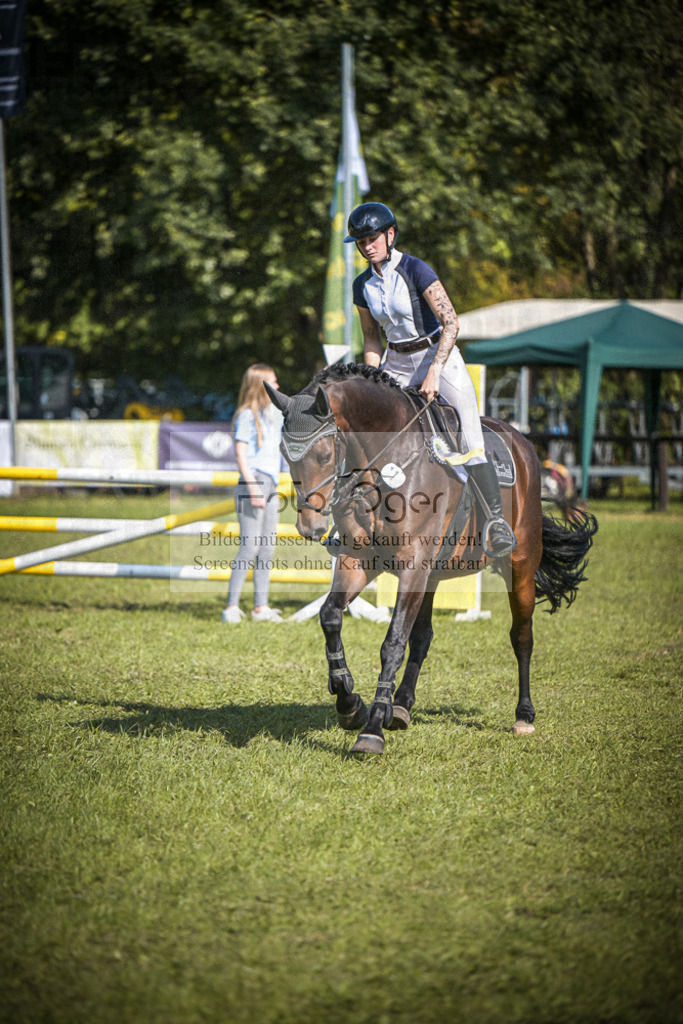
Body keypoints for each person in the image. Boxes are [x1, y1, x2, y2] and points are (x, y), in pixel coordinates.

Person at [344, 201, 516, 558]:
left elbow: (451, 322)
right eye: (361, 241)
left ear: (390, 234)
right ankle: (350, 523)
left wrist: (435, 369)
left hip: (439, 356)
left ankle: (496, 522)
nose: (367, 246)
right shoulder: (362, 285)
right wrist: (374, 381)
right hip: (396, 360)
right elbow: (372, 337)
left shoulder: (416, 269)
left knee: (469, 437)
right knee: (368, 432)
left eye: (372, 238)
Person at [221, 364, 284, 623]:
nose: (278, 386)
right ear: (261, 385)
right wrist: (253, 487)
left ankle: (261, 607)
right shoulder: (247, 415)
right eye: (273, 382)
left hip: (271, 482)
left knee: (267, 548)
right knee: (249, 547)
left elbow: (302, 407)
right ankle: (231, 607)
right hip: (254, 481)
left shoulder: (275, 413)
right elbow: (241, 454)